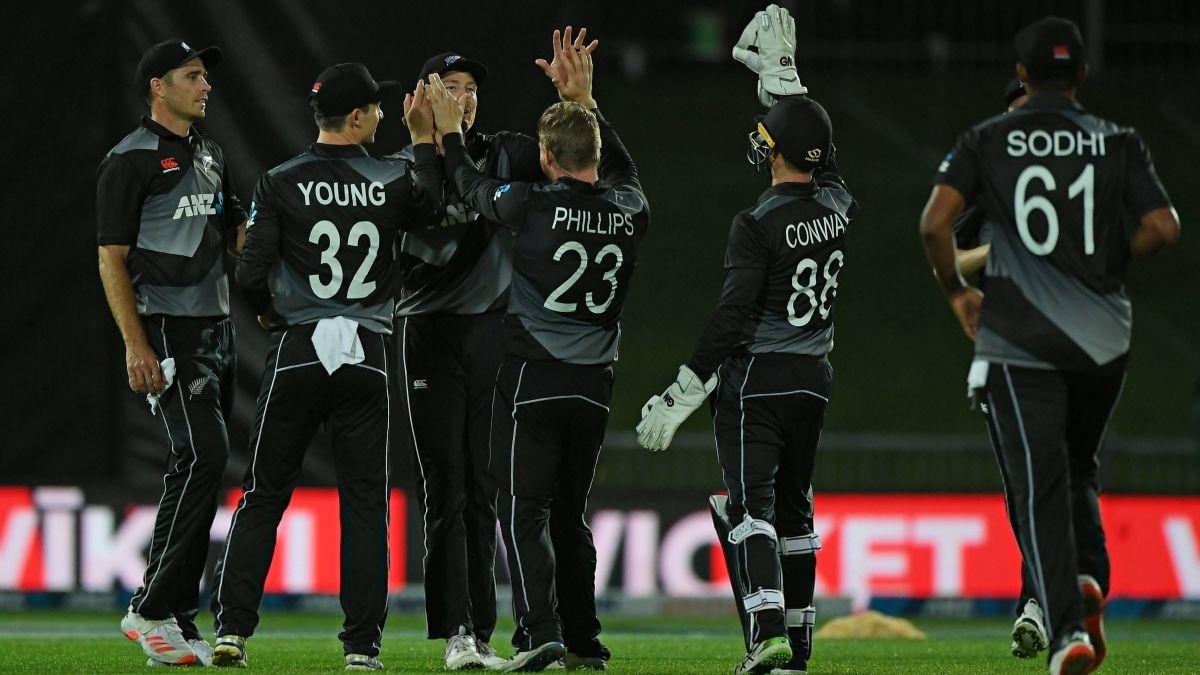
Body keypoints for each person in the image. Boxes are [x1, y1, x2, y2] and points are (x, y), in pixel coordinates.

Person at [919, 16, 1180, 675]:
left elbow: (934, 224)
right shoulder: (1117, 139)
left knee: (1039, 483)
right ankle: (1089, 573)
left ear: (1024, 75)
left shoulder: (987, 139)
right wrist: (1116, 253)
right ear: (1082, 76)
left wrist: (956, 291)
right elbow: (1164, 225)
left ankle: (1062, 626)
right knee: (1079, 464)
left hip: (1021, 338)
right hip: (1104, 340)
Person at [637, 7, 857, 674]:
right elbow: (827, 157)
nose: (759, 140)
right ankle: (800, 643)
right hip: (812, 380)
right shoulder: (839, 207)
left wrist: (683, 385)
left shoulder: (754, 223)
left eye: (768, 136)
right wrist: (786, 82)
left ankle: (764, 632)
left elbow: (733, 316)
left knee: (749, 507)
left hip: (757, 378)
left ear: (779, 152)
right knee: (796, 511)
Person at [208, 63, 446, 671]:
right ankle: (362, 646)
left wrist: (267, 316)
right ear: (360, 117)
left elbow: (251, 274)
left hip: (300, 347)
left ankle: (232, 631)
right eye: (378, 109)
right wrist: (423, 141)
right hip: (367, 351)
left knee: (263, 493)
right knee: (364, 502)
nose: (384, 116)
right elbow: (435, 207)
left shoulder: (281, 180)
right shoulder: (392, 178)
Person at [426, 26, 642, 672]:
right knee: (571, 516)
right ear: (595, 155)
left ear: (546, 157)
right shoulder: (631, 207)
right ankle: (584, 640)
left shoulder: (533, 205)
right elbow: (624, 168)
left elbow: (467, 184)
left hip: (532, 377)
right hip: (595, 385)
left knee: (524, 510)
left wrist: (449, 134)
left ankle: (537, 631)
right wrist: (589, 101)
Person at [390, 50, 545, 672]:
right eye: (450, 86)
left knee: (483, 483)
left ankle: (482, 632)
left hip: (489, 330)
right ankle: (456, 629)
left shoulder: (506, 151)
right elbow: (426, 228)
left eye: (471, 86)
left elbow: (576, 158)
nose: (465, 95)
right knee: (445, 482)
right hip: (428, 330)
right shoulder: (401, 163)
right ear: (425, 94)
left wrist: (580, 105)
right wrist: (433, 146)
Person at [98, 38, 245, 668]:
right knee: (204, 454)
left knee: (196, 467)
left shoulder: (211, 152)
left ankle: (177, 616)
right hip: (168, 329)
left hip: (219, 329)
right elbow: (111, 258)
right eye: (192, 76)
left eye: (205, 76)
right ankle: (150, 608)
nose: (204, 85)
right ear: (158, 85)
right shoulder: (127, 160)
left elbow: (235, 229)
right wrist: (136, 345)